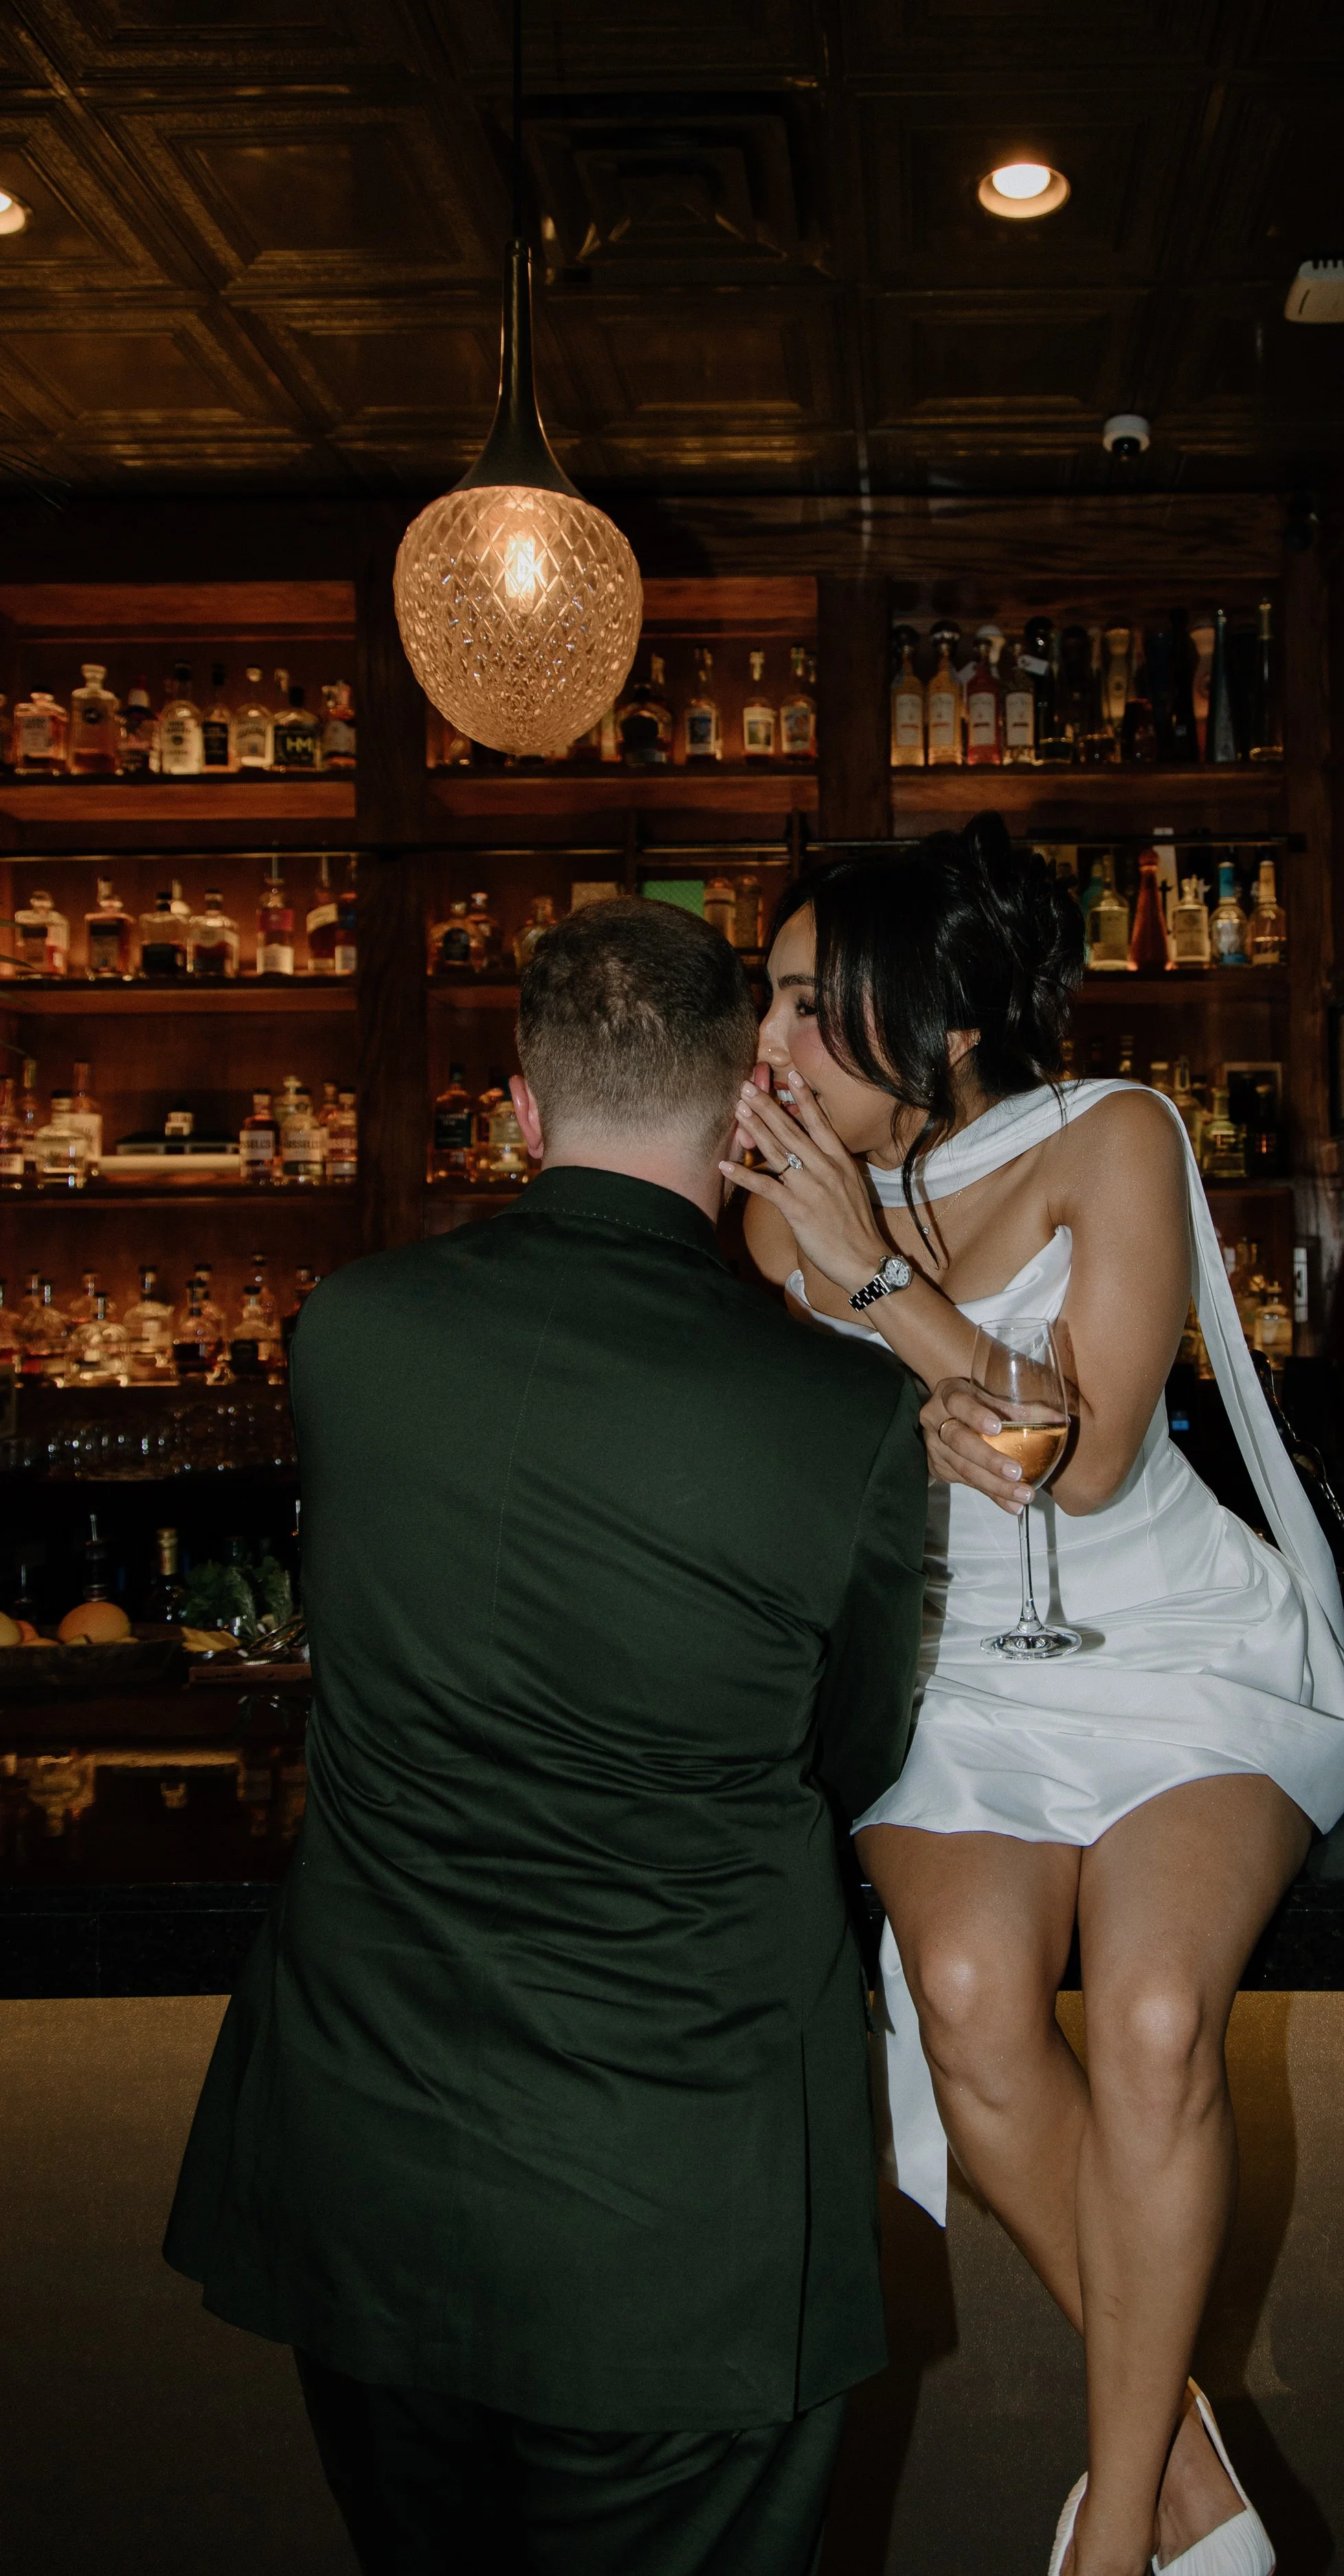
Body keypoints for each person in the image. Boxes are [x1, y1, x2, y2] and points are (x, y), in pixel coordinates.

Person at [164, 897, 928, 2576]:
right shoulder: (848, 1414)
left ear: (519, 1108)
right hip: (678, 2207)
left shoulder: (347, 1338)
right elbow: (852, 1753)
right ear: (746, 1111)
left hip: (368, 2171)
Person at [726, 818, 1344, 2576]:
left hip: (1183, 1660)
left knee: (1141, 2023)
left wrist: (887, 1294)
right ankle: (1195, 2459)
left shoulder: (1116, 1135)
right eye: (769, 1003)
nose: (772, 1046)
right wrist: (920, 1371)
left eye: (816, 1008)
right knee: (967, 2000)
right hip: (959, 1674)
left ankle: (1118, 2528)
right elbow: (867, 1471)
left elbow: (1090, 1457)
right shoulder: (772, 1219)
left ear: (940, 1022)